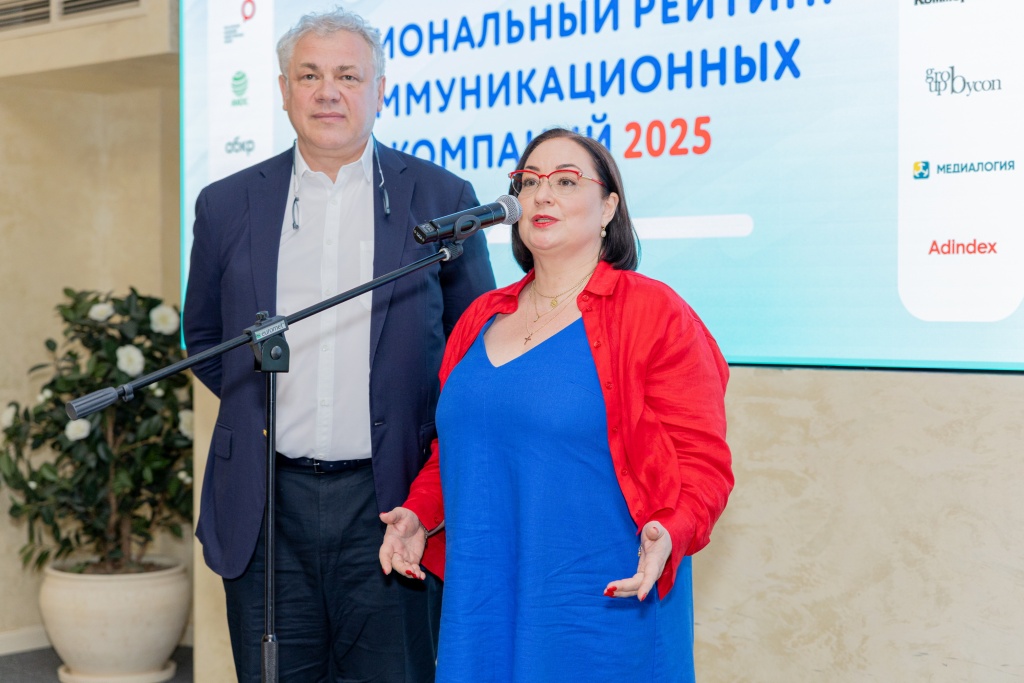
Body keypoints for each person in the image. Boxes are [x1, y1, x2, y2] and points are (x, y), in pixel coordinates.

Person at [183, 8, 495, 681]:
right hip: (266, 502)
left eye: (348, 76)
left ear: (381, 89)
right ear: (283, 89)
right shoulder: (225, 204)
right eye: (309, 75)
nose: (328, 91)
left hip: (390, 500)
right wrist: (262, 407)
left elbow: (475, 349)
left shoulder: (444, 197)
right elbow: (205, 337)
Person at [378, 127, 733, 681]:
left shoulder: (654, 313)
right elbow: (458, 451)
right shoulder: (479, 318)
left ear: (608, 207)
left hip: (603, 605)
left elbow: (702, 462)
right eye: (529, 182)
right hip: (484, 603)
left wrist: (673, 528)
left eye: (566, 181)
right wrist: (419, 515)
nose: (542, 194)